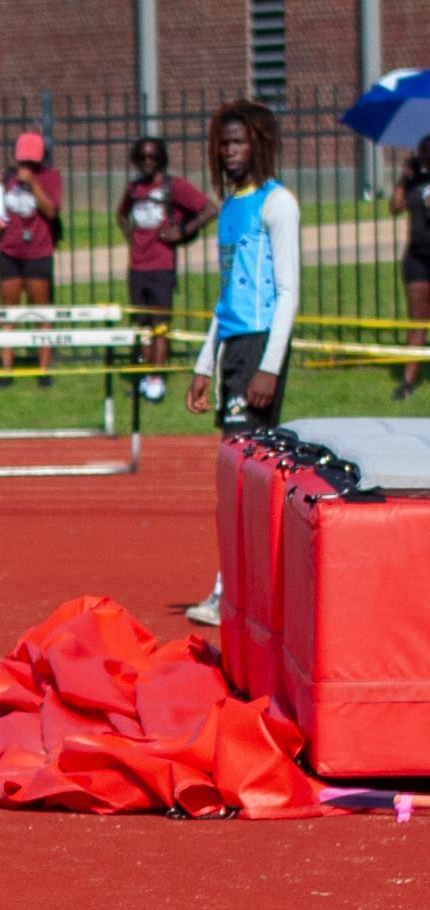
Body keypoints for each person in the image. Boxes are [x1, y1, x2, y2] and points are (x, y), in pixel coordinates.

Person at [184, 99, 300, 626]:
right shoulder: (230, 208)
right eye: (222, 144)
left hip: (259, 346)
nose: (228, 153)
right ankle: (242, 588)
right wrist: (205, 362)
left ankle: (233, 590)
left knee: (245, 472)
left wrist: (269, 367)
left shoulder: (279, 205)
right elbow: (226, 293)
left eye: (238, 142)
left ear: (261, 143)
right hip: (232, 345)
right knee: (235, 471)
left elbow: (288, 292)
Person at [117, 136, 214, 402]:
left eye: (153, 157)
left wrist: (182, 231)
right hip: (138, 266)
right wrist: (132, 236)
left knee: (160, 323)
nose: (148, 162)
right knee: (142, 323)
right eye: (143, 157)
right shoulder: (134, 188)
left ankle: (157, 377)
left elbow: (208, 209)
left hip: (161, 264)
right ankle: (145, 374)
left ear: (160, 159)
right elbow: (121, 214)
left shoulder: (174, 186)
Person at [0, 131, 62, 385]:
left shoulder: (50, 177)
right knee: (8, 312)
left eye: (31, 162)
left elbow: (51, 211)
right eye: (23, 161)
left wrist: (33, 183)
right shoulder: (7, 177)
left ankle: (43, 369)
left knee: (40, 312)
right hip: (9, 251)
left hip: (38, 252)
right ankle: (6, 369)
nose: (26, 166)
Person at [389, 133, 430, 400]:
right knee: (417, 319)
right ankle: (408, 380)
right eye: (422, 151)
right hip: (417, 258)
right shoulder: (415, 182)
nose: (424, 155)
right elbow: (395, 206)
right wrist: (405, 177)